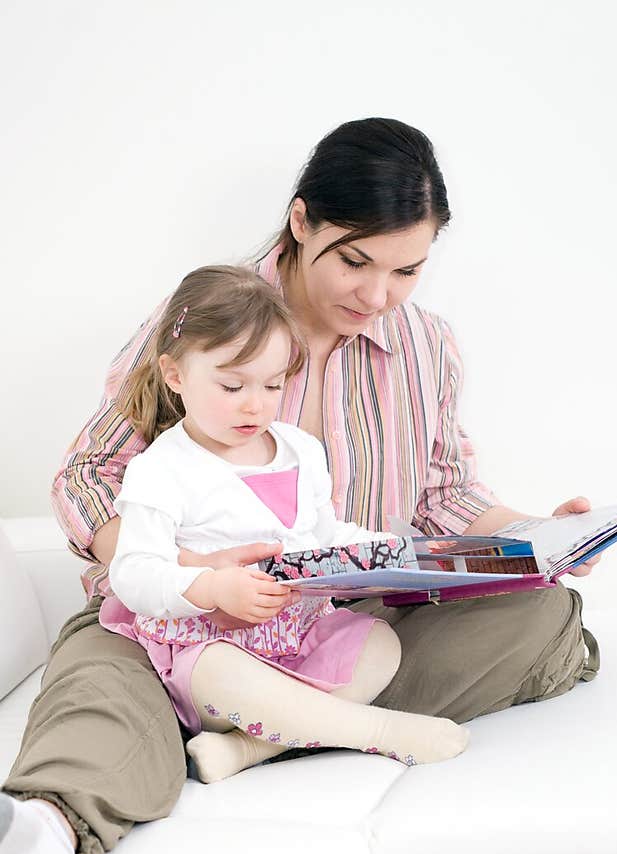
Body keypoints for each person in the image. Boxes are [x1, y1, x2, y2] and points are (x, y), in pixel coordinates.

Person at [0, 116, 600, 854]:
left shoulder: (427, 347)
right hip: (174, 621)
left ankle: (254, 735)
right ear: (300, 222)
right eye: (355, 261)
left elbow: (444, 494)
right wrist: (186, 574)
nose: (377, 295)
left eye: (407, 271)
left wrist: (537, 535)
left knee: (546, 614)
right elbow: (87, 476)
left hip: (332, 623)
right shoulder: (210, 317)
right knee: (104, 683)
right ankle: (44, 824)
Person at [102, 263, 469, 788]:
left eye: (273, 384)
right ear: (176, 375)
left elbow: (324, 537)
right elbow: (134, 573)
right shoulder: (160, 470)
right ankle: (378, 730)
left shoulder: (299, 449)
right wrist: (211, 587)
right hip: (210, 648)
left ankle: (250, 749)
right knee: (222, 673)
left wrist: (393, 552)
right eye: (232, 385)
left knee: (380, 644)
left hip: (297, 632)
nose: (255, 404)